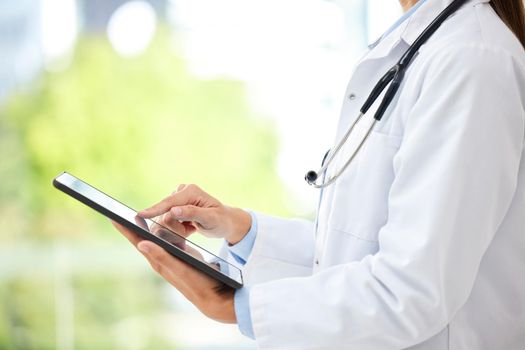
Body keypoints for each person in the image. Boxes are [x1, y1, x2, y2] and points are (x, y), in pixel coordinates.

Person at [113, 0, 525, 348]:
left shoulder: (471, 59)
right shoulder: (426, 47)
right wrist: (240, 229)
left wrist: (233, 307)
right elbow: (367, 252)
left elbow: (411, 291)